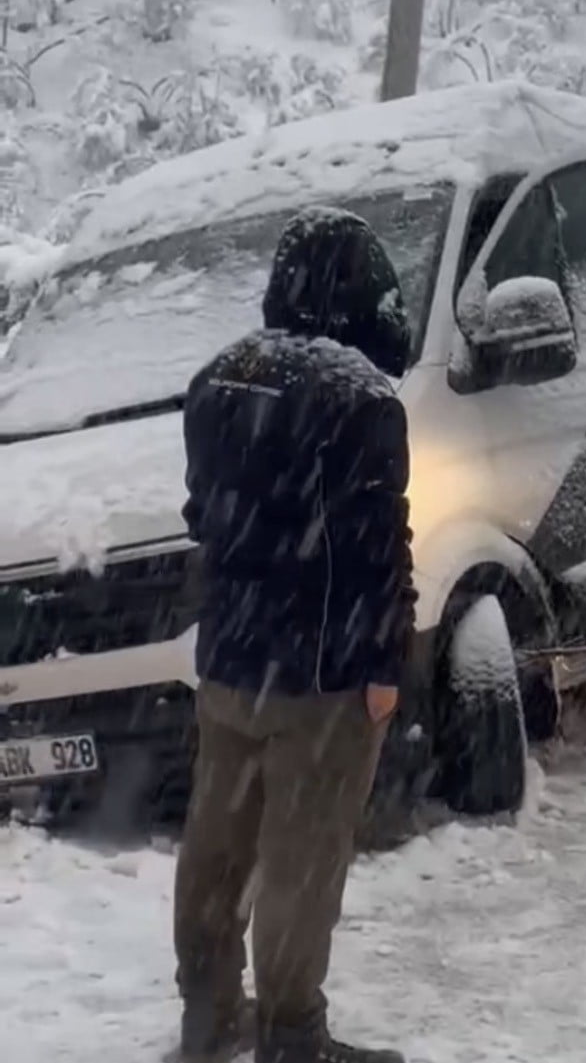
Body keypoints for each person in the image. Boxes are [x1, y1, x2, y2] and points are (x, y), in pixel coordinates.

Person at [174, 207, 416, 1063]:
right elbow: (376, 549)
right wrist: (386, 663)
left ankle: (207, 1014)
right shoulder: (361, 399)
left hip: (230, 665)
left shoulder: (216, 380)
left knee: (217, 845)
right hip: (321, 678)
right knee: (300, 865)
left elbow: (205, 514)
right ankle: (291, 1034)